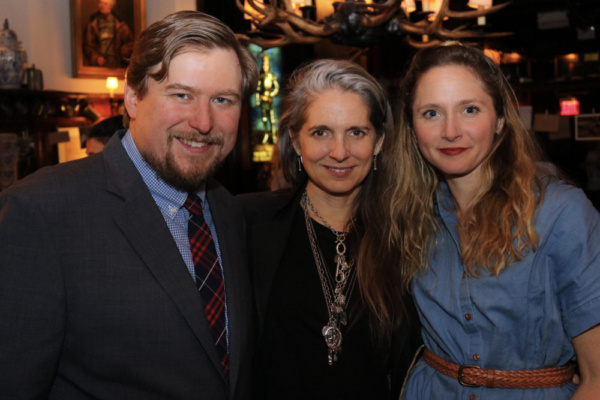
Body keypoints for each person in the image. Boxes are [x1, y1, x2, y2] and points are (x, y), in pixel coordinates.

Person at [0, 10, 258, 399]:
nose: (204, 122)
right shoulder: (41, 213)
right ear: (134, 98)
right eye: (182, 95)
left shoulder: (228, 211)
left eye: (223, 99)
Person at [378, 42, 600, 399]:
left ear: (499, 119)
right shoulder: (414, 213)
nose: (451, 131)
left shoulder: (561, 213)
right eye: (431, 113)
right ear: (412, 127)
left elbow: (597, 378)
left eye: (469, 109)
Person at [237, 59, 419, 400]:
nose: (339, 152)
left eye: (357, 132)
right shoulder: (247, 223)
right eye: (321, 132)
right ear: (295, 139)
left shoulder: (404, 239)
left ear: (378, 141)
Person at [84, 0, 134, 68]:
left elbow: (130, 43)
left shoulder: (120, 24)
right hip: (99, 65)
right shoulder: (93, 24)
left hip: (116, 62)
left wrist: (123, 51)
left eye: (105, 4)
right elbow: (88, 46)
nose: (102, 6)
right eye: (101, 3)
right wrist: (96, 58)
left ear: (111, 6)